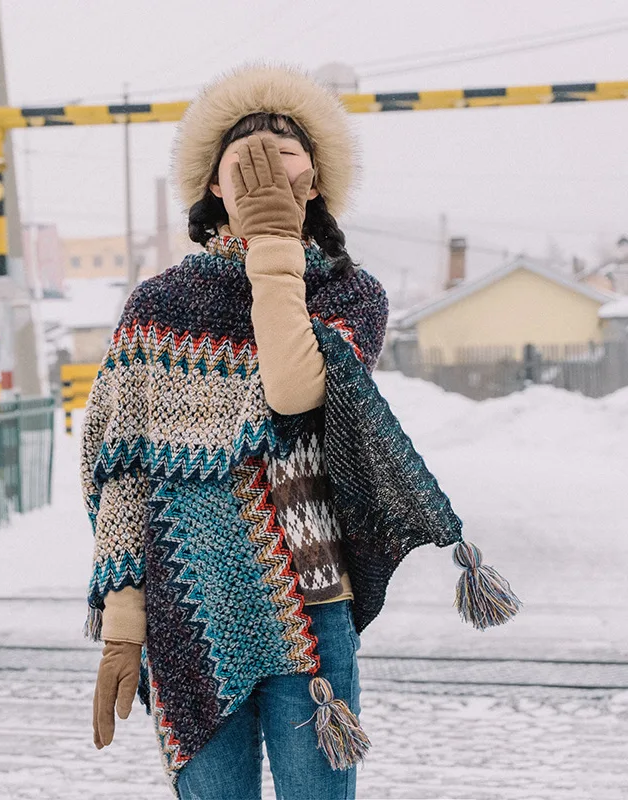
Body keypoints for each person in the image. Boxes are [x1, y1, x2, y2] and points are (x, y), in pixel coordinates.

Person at [80, 61, 519, 800]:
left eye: (284, 145)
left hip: (311, 603)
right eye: (240, 149)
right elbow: (127, 469)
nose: (261, 155)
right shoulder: (157, 308)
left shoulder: (352, 294)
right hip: (193, 604)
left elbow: (294, 393)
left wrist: (273, 252)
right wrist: (124, 620)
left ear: (314, 179)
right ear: (213, 186)